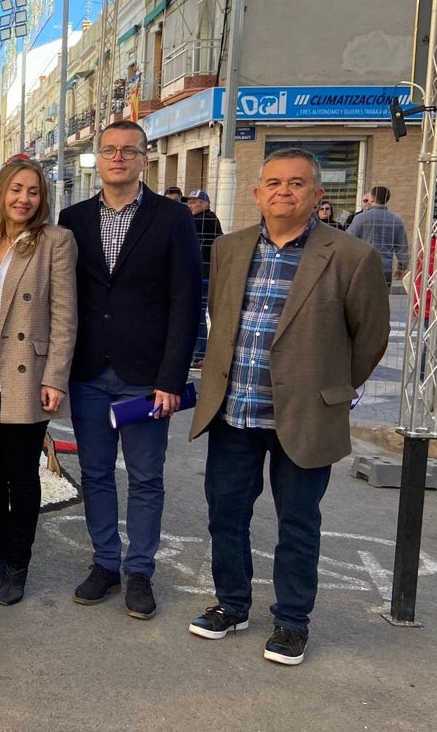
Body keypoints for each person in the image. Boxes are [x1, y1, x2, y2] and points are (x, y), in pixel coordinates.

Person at [188, 148, 390, 665]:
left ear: (318, 196)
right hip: (235, 414)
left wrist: (330, 389)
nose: (284, 191)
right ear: (257, 193)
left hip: (305, 418)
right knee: (225, 517)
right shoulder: (229, 249)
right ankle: (232, 604)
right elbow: (221, 317)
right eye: (274, 182)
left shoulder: (350, 256)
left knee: (298, 524)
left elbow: (369, 338)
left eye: (297, 184)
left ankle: (292, 621)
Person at [58, 119, 201, 619]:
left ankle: (140, 572)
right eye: (109, 150)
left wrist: (172, 378)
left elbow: (187, 301)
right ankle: (104, 564)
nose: (118, 158)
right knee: (95, 473)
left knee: (145, 477)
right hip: (90, 371)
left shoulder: (172, 218)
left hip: (146, 375)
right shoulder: (71, 219)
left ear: (144, 159)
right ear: (97, 159)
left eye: (128, 150)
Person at [0, 158, 78, 606]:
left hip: (26, 375)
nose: (24, 199)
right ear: (0, 193)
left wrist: (56, 377)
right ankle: (0, 558)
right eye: (17, 189)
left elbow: (65, 315)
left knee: (22, 476)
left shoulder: (54, 242)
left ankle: (17, 563)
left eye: (34, 191)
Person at [186, 189, 224, 368]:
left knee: (198, 313)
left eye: (195, 202)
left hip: (204, 274)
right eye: (190, 202)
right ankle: (198, 351)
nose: (191, 205)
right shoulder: (204, 219)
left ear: (206, 204)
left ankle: (200, 353)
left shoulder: (205, 220)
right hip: (202, 273)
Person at [346, 185, 409, 284]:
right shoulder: (396, 220)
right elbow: (402, 246)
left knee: (361, 298)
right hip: (385, 268)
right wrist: (402, 266)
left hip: (363, 266)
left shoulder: (361, 218)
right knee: (382, 298)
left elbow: (348, 240)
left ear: (371, 198)